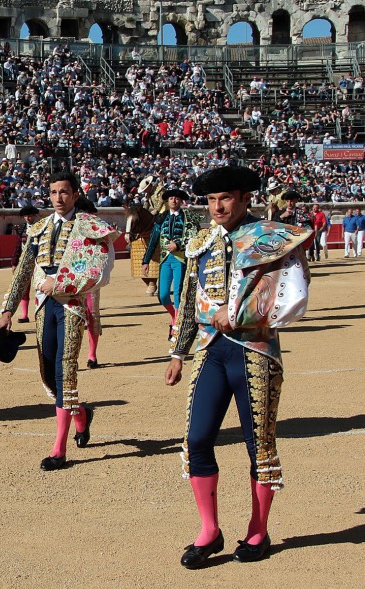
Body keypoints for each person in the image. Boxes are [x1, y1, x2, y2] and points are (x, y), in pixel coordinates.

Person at [165, 166, 311, 568]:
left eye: (225, 198)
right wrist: (178, 352)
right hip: (210, 351)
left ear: (246, 198)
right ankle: (209, 531)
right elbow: (190, 300)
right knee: (197, 440)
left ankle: (258, 529)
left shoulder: (271, 237)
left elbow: (292, 294)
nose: (217, 207)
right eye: (211, 200)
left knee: (258, 444)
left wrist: (239, 315)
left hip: (255, 350)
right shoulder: (201, 243)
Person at [0, 171, 119, 471]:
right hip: (43, 306)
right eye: (53, 192)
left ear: (75, 194)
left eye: (64, 192)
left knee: (65, 370)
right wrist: (8, 309)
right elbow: (24, 270)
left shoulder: (91, 226)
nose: (58, 198)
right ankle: (81, 415)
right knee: (48, 371)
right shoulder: (39, 229)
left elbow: (100, 271)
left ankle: (59, 449)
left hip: (72, 305)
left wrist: (60, 285)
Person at [142, 189, 201, 339]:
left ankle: (177, 326)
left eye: (176, 198)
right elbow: (153, 239)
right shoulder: (161, 218)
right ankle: (174, 316)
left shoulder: (188, 217)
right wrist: (145, 260)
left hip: (181, 259)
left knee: (178, 292)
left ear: (181, 201)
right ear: (168, 201)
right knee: (162, 295)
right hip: (165, 259)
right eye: (171, 198)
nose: (174, 200)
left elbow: (195, 237)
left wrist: (178, 245)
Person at [122, 199, 160, 296]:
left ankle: (152, 283)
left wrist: (157, 210)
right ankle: (149, 282)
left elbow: (161, 203)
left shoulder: (159, 192)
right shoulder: (148, 196)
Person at [11, 205, 39, 323]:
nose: (28, 218)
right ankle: (24, 315)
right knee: (24, 287)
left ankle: (39, 312)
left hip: (38, 261)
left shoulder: (41, 227)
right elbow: (18, 246)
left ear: (34, 216)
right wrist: (14, 262)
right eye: (26, 216)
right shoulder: (22, 228)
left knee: (39, 287)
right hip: (24, 261)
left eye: (30, 216)